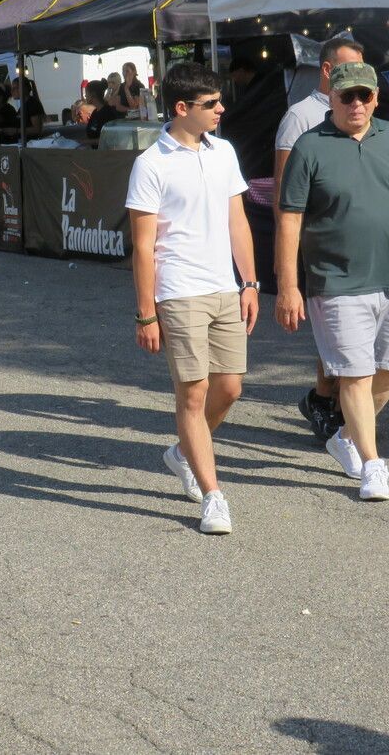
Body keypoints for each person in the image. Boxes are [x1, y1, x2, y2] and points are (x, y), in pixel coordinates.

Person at [276, 62, 389, 502]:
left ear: (375, 98)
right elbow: (290, 220)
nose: (357, 104)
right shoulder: (309, 146)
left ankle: (347, 437)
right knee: (355, 373)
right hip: (333, 280)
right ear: (331, 97)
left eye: (364, 96)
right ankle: (372, 464)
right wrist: (289, 285)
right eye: (347, 96)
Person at [126, 62, 259, 536]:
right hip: (178, 292)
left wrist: (250, 282)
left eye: (220, 101)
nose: (222, 109)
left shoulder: (223, 152)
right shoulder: (151, 164)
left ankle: (182, 452)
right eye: (211, 104)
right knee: (194, 392)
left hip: (225, 286)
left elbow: (236, 222)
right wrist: (146, 314)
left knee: (230, 388)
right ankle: (213, 495)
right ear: (182, 109)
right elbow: (143, 246)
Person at [272, 37, 365, 445]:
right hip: (316, 241)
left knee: (353, 330)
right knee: (336, 329)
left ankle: (328, 400)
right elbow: (283, 192)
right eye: (348, 68)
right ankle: (326, 402)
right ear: (327, 70)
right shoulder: (301, 116)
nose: (357, 80)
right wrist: (286, 262)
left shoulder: (360, 112)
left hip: (354, 240)